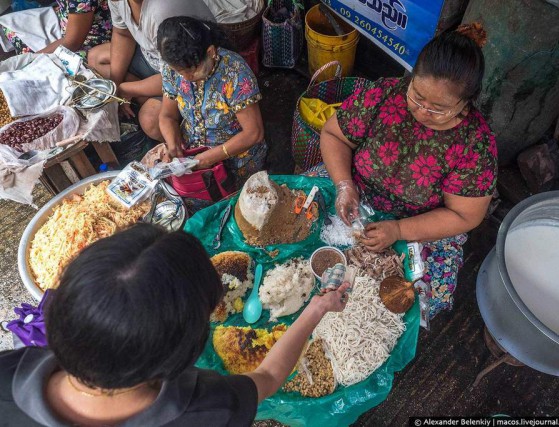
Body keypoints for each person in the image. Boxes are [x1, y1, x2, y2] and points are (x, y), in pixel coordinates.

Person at [0, 224, 349, 426]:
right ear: (183, 353)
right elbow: (269, 378)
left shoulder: (9, 373)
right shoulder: (204, 409)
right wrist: (316, 310)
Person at [319, 26, 497, 320]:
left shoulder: (474, 147)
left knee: (416, 299)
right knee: (305, 229)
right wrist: (343, 185)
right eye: (416, 96)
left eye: (438, 108)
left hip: (420, 223)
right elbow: (334, 135)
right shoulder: (386, 93)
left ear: (466, 102)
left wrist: (399, 230)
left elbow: (466, 216)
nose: (422, 111)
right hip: (357, 191)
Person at [157, 16, 266, 186]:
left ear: (210, 52)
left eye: (192, 71)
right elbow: (167, 116)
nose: (186, 78)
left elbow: (254, 133)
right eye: (180, 71)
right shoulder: (173, 71)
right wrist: (173, 144)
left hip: (237, 160)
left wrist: (209, 157)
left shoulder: (235, 74)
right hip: (193, 155)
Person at [87, 0, 216, 141]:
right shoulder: (118, 1)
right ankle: (146, 97)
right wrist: (115, 87)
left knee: (151, 121)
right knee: (95, 58)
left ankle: (191, 143)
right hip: (156, 60)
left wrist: (124, 89)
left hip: (194, 73)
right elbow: (123, 35)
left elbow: (178, 75)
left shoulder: (162, 11)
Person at [1, 0, 111, 58]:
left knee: (31, 63)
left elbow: (71, 43)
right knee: (11, 27)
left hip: (91, 41)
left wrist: (31, 59)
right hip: (65, 22)